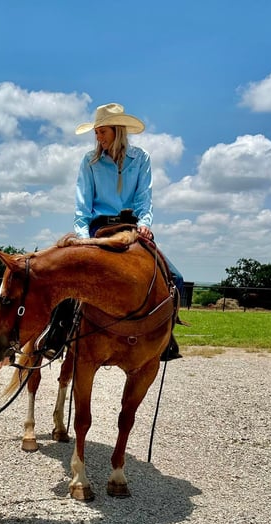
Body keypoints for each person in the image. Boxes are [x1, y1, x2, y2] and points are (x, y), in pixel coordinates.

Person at [39, 102, 183, 360]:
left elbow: (144, 199)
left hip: (132, 228)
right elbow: (82, 206)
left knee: (176, 278)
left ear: (117, 130)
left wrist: (145, 225)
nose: (98, 137)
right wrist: (83, 241)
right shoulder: (90, 162)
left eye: (102, 131)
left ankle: (164, 339)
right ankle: (56, 336)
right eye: (96, 132)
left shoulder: (141, 159)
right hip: (99, 228)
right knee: (71, 274)